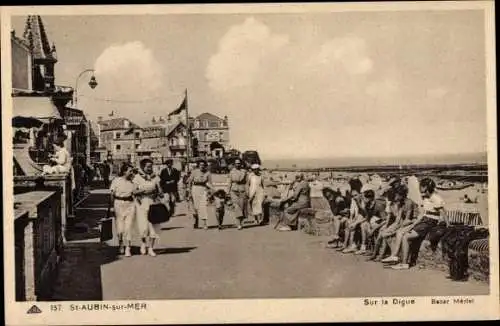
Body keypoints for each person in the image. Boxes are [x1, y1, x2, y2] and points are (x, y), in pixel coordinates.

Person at [392, 178, 446, 270]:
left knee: (406, 237)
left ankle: (404, 263)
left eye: (421, 186)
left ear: (426, 187)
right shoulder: (426, 198)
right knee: (404, 235)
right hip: (424, 221)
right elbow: (423, 214)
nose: (419, 188)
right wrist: (413, 225)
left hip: (429, 223)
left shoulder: (436, 198)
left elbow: (443, 213)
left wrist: (447, 226)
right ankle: (402, 261)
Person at [132, 158, 165, 257]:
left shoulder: (156, 177)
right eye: (148, 167)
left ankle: (151, 248)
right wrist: (143, 191)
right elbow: (133, 191)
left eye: (151, 166)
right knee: (143, 226)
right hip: (141, 203)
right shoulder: (137, 178)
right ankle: (143, 244)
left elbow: (161, 192)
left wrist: (159, 192)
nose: (150, 168)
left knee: (153, 226)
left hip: (153, 203)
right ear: (143, 167)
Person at [378, 184, 419, 264]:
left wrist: (395, 230)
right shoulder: (401, 202)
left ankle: (395, 255)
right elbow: (399, 218)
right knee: (385, 234)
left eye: (397, 194)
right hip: (405, 222)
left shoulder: (409, 202)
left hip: (413, 221)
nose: (395, 196)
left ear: (401, 195)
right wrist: (391, 228)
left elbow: (408, 219)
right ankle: (394, 255)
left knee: (396, 233)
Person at [109, 163, 136, 257]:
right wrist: (112, 207)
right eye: (130, 171)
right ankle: (121, 244)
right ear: (124, 171)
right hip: (118, 204)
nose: (132, 173)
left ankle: (128, 247)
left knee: (128, 227)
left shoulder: (133, 182)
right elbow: (112, 195)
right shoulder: (116, 181)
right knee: (120, 228)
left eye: (132, 171)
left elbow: (135, 194)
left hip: (130, 204)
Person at [189, 160, 214, 230]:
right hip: (195, 189)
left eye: (203, 165)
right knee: (195, 207)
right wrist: (189, 192)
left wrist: (211, 192)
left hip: (203, 189)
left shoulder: (208, 173)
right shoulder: (194, 172)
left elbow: (210, 183)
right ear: (198, 165)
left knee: (203, 207)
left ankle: (204, 224)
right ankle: (195, 221)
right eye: (200, 165)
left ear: (205, 166)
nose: (202, 166)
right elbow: (189, 182)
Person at [228, 159, 248, 230]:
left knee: (242, 207)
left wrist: (247, 192)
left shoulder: (244, 171)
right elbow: (229, 182)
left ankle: (240, 222)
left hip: (242, 190)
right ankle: (238, 224)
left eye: (239, 163)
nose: (238, 165)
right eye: (236, 163)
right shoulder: (231, 172)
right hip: (234, 190)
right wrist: (228, 192)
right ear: (234, 164)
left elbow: (247, 183)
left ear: (241, 164)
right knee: (237, 207)